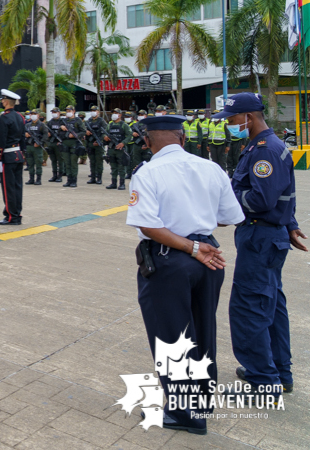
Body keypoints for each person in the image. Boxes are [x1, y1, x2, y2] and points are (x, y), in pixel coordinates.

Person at [126, 114, 244, 435]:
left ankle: (184, 413)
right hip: (209, 258)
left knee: (172, 337)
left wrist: (189, 246)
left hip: (171, 259)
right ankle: (201, 402)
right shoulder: (212, 168)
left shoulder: (147, 172)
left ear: (148, 142)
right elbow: (229, 216)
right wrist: (198, 218)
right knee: (203, 330)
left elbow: (147, 225)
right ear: (182, 136)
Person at [215, 93, 306, 396]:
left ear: (248, 119)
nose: (229, 125)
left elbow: (261, 199)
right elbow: (286, 193)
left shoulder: (264, 151)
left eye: (231, 120)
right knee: (272, 306)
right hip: (270, 236)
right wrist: (289, 225)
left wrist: (228, 201)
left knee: (249, 307)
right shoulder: (267, 146)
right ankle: (279, 373)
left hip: (260, 237)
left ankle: (262, 381)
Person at [0, 89, 25, 226]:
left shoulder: (4, 117)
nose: (2, 102)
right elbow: (23, 138)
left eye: (3, 100)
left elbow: (2, 139)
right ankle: (17, 214)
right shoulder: (20, 116)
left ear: (6, 101)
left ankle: (10, 216)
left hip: (7, 155)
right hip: (18, 154)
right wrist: (23, 154)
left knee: (8, 188)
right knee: (17, 187)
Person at [104, 108, 132, 190]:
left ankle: (122, 184)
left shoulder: (124, 125)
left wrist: (123, 143)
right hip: (111, 149)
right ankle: (113, 183)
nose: (114, 114)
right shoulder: (109, 125)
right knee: (113, 167)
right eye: (113, 113)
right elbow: (104, 134)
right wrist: (105, 137)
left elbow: (129, 136)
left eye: (116, 113)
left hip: (120, 149)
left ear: (120, 115)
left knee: (121, 167)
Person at [59, 105, 86, 187]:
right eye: (67, 111)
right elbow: (58, 133)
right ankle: (68, 180)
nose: (68, 112)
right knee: (67, 163)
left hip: (74, 143)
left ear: (74, 111)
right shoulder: (63, 121)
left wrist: (75, 135)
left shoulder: (78, 121)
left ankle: (74, 181)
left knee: (73, 163)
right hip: (65, 143)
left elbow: (83, 131)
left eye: (70, 111)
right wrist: (61, 128)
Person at [23, 110, 48, 185]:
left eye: (35, 114)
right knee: (30, 163)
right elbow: (22, 133)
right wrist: (25, 134)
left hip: (37, 147)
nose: (33, 115)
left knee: (38, 163)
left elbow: (45, 135)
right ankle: (31, 178)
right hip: (29, 146)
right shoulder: (28, 125)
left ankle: (38, 179)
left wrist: (40, 143)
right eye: (32, 114)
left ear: (38, 115)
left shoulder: (41, 125)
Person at [84, 105, 107, 185]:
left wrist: (99, 141)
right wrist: (86, 132)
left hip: (99, 144)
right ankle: (93, 177)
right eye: (92, 110)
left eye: (95, 110)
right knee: (92, 161)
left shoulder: (101, 121)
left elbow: (105, 132)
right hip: (90, 144)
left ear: (98, 112)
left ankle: (99, 178)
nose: (93, 112)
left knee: (99, 162)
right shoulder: (88, 121)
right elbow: (83, 130)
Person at [46, 107, 65, 182]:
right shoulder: (50, 122)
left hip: (59, 143)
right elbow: (47, 130)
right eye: (53, 112)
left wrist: (61, 140)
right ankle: (54, 175)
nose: (54, 113)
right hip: (52, 142)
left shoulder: (62, 121)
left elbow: (65, 132)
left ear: (59, 113)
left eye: (55, 112)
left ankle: (60, 175)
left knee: (60, 160)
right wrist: (48, 134)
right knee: (53, 160)